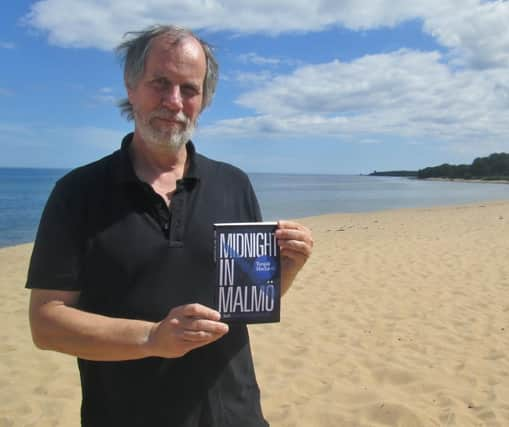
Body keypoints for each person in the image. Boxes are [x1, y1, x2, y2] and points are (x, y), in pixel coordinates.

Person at [26, 25, 313, 427]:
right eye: (160, 83)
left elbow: (247, 303)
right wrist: (151, 339)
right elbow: (46, 323)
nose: (174, 101)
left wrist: (287, 269)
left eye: (189, 89)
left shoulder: (233, 184)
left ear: (205, 99)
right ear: (131, 86)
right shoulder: (78, 192)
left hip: (235, 415)